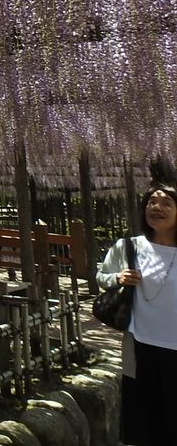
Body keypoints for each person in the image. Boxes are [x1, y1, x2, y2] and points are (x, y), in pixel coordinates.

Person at [97, 182, 177, 446]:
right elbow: (101, 277)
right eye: (152, 202)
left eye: (166, 203)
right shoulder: (129, 247)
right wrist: (118, 277)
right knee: (145, 418)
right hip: (141, 343)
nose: (157, 207)